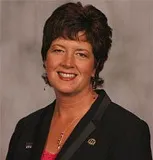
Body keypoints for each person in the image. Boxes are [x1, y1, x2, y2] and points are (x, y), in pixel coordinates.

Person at [6, 2, 152, 160]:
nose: (67, 63)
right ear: (45, 59)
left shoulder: (128, 131)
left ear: (95, 65)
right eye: (58, 50)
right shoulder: (26, 127)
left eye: (81, 54)